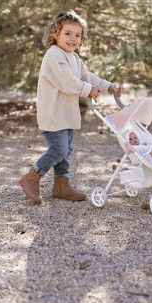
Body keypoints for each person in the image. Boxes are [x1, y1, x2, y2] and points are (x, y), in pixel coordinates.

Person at [20, 10, 122, 203]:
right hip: (53, 113)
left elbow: (87, 77)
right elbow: (66, 81)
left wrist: (108, 86)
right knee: (58, 150)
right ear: (55, 34)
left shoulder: (74, 58)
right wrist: (88, 89)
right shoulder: (54, 55)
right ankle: (31, 178)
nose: (73, 39)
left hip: (66, 113)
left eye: (78, 35)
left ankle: (61, 186)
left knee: (65, 151)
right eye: (67, 33)